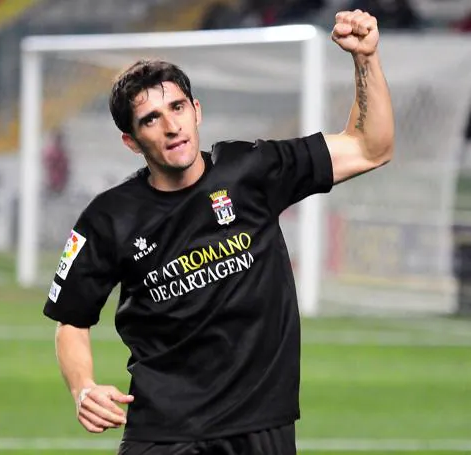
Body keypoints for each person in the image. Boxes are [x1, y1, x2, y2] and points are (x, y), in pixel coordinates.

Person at [44, 9, 394, 455]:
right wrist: (83, 388)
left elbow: (371, 146)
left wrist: (366, 59)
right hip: (165, 431)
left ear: (197, 112)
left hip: (261, 424)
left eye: (177, 108)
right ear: (131, 141)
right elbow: (71, 319)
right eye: (151, 119)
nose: (171, 127)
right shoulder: (109, 218)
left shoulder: (253, 170)